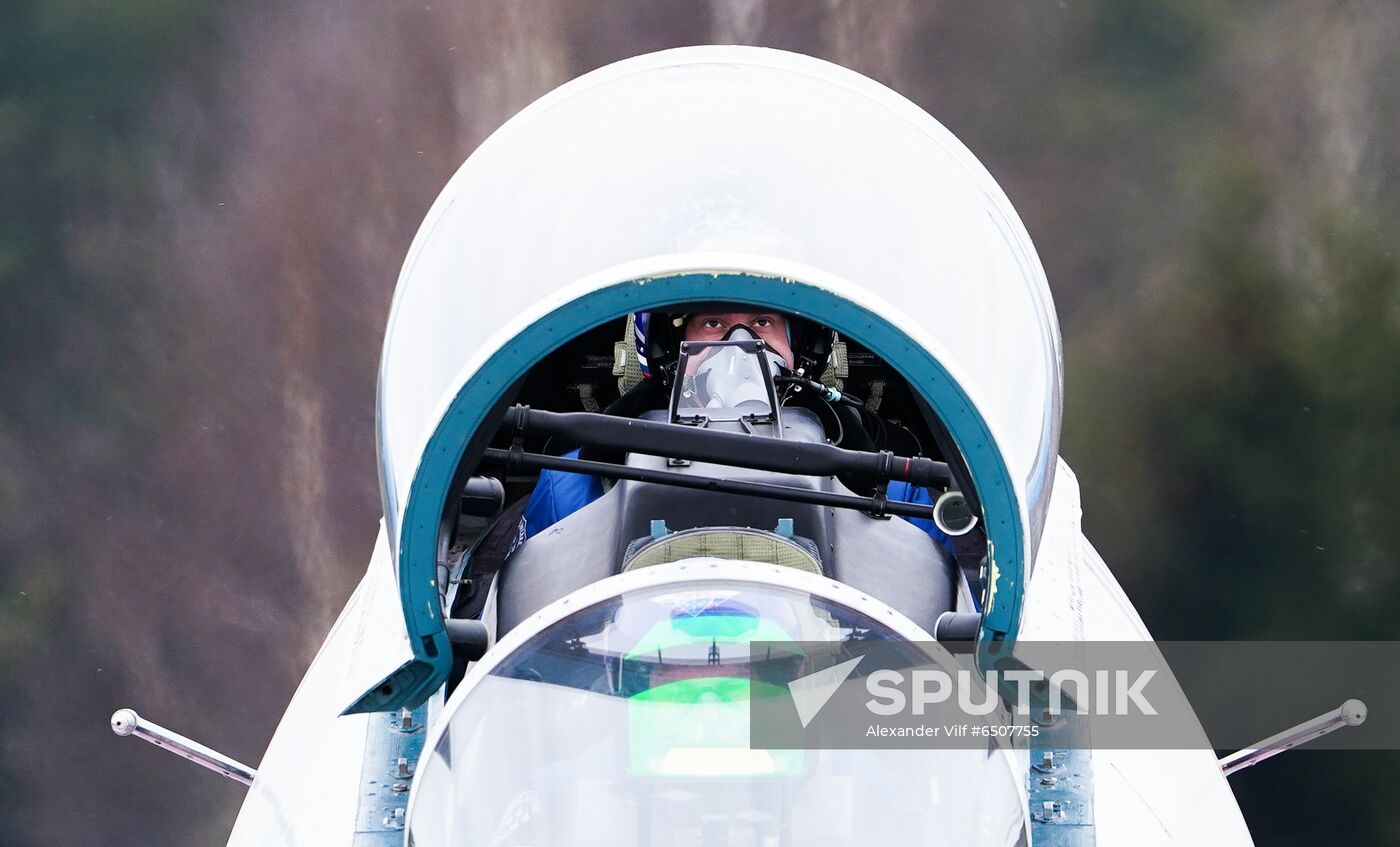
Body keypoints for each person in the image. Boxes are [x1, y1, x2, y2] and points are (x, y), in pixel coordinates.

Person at [515, 306, 956, 559]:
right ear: (670, 348)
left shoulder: (888, 481)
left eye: (763, 322)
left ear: (800, 346)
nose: (740, 343)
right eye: (712, 324)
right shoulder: (574, 482)